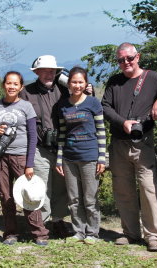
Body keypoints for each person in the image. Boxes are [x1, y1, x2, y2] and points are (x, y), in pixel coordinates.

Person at [101, 42, 157, 251]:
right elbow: (105, 107)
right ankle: (130, 233)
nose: (126, 63)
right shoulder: (114, 81)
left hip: (143, 143)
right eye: (121, 60)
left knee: (149, 189)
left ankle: (153, 236)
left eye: (129, 58)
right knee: (123, 189)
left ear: (138, 57)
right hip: (118, 142)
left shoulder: (154, 79)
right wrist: (122, 122)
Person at [0, 71, 49, 246]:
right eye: (8, 83)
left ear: (21, 87)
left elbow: (33, 136)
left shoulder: (26, 107)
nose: (11, 86)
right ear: (3, 85)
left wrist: (30, 164)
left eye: (15, 84)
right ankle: (10, 233)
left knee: (29, 195)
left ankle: (39, 233)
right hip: (0, 157)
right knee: (5, 196)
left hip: (21, 156)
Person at [19, 55, 72, 238]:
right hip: (39, 146)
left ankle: (58, 221)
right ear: (37, 72)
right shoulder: (27, 92)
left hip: (61, 146)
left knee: (60, 186)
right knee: (41, 186)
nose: (49, 74)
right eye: (45, 70)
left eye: (52, 71)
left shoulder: (64, 90)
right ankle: (42, 224)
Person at [55, 67, 106, 244]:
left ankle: (92, 233)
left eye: (80, 82)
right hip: (69, 157)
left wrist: (102, 157)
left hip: (90, 156)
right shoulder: (62, 105)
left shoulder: (93, 103)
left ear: (86, 83)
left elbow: (101, 131)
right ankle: (79, 231)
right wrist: (59, 158)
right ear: (68, 84)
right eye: (74, 82)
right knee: (74, 199)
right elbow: (62, 133)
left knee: (90, 198)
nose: (77, 85)